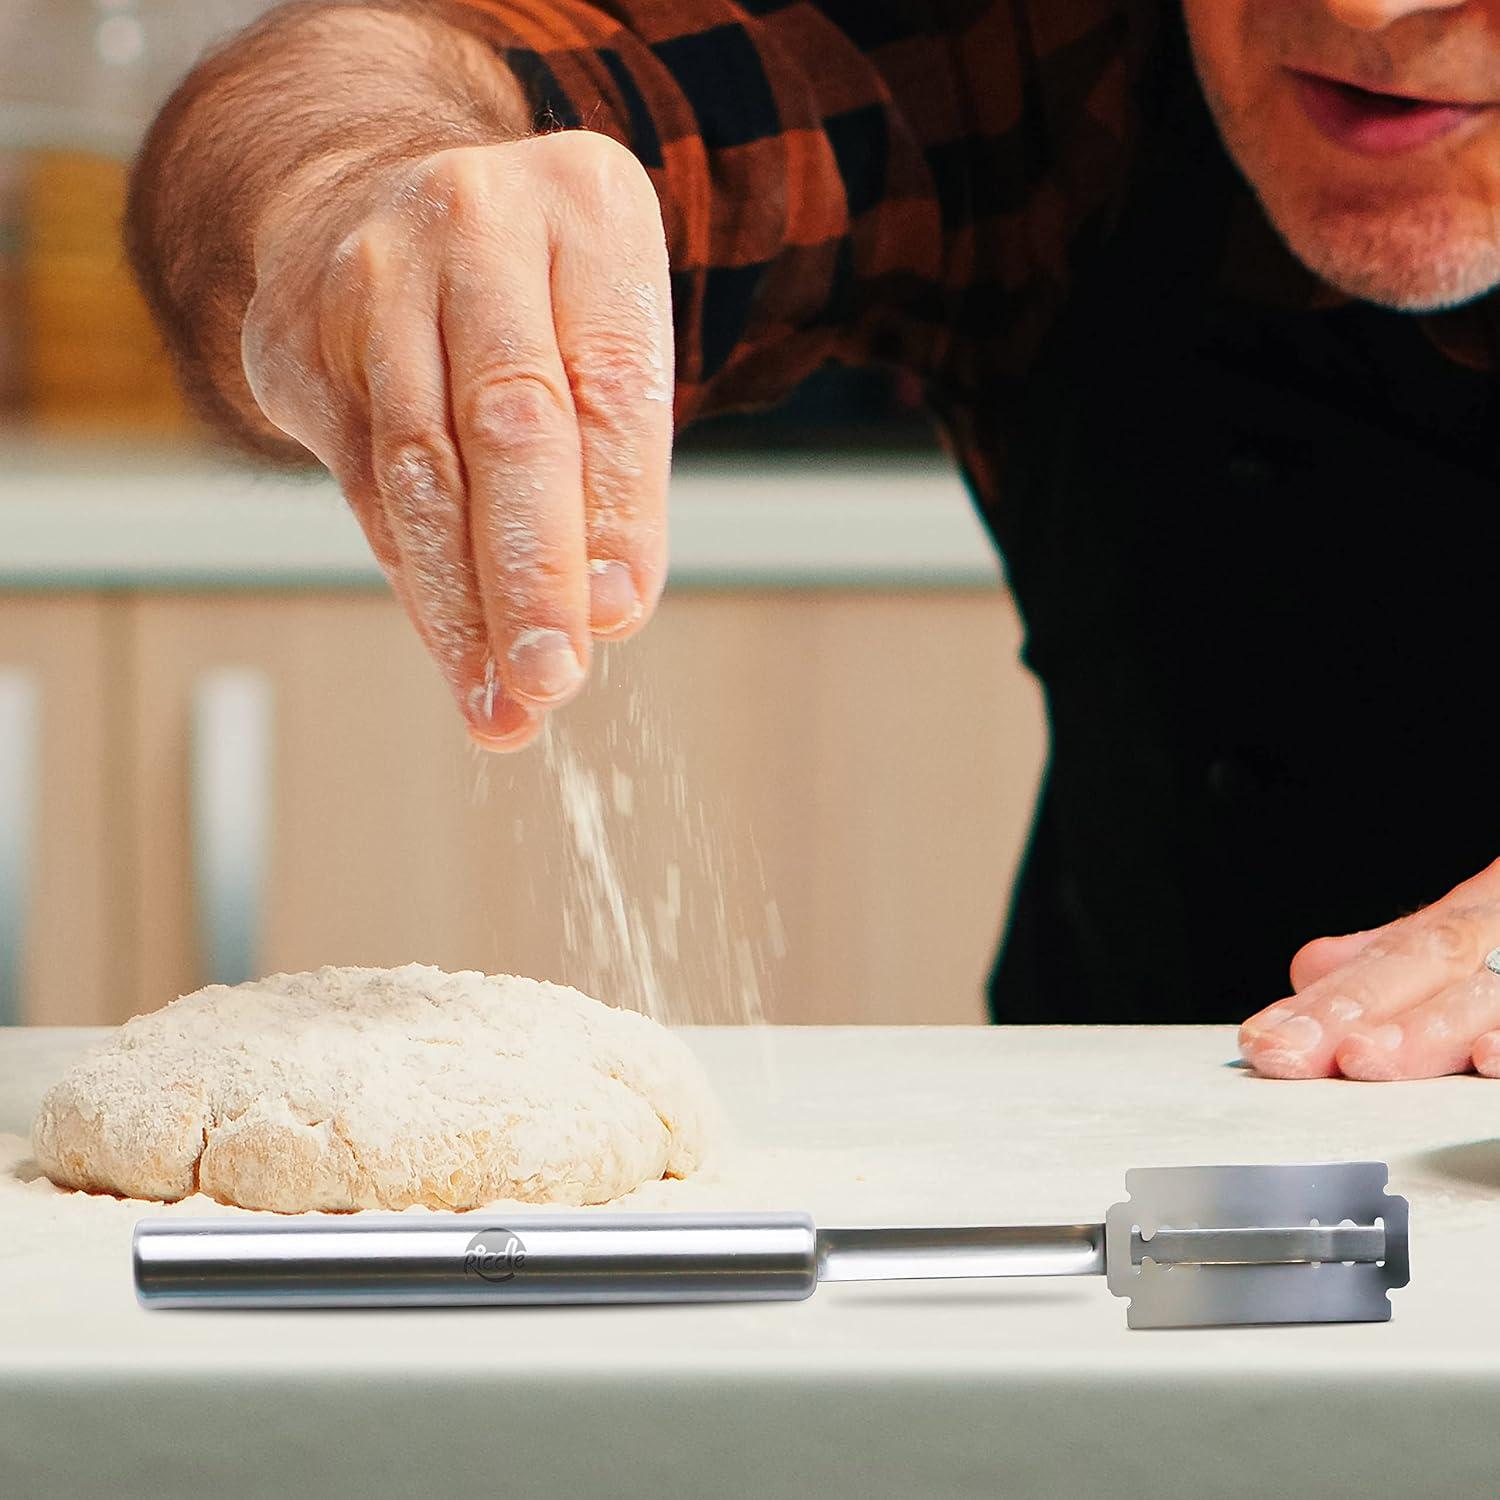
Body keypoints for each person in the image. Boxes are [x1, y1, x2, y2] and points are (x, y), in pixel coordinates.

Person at [126, 0, 1500, 1079]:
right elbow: (375, 80)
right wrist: (356, 192)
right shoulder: (1048, 55)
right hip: (1129, 1211)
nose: (1366, 9)